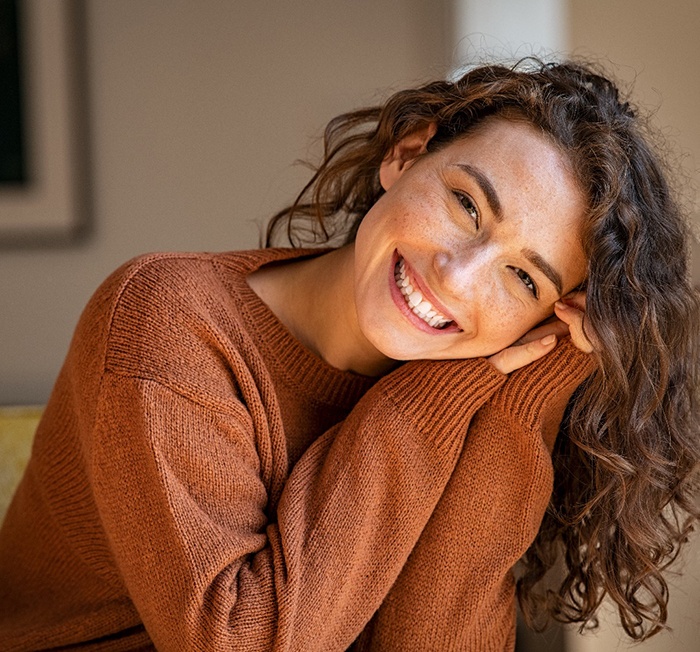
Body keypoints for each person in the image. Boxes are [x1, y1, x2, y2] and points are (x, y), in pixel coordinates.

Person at [0, 59, 698, 651]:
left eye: (523, 278)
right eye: (465, 205)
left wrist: (528, 392)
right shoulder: (169, 317)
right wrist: (421, 406)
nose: (457, 277)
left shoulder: (478, 380)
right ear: (405, 154)